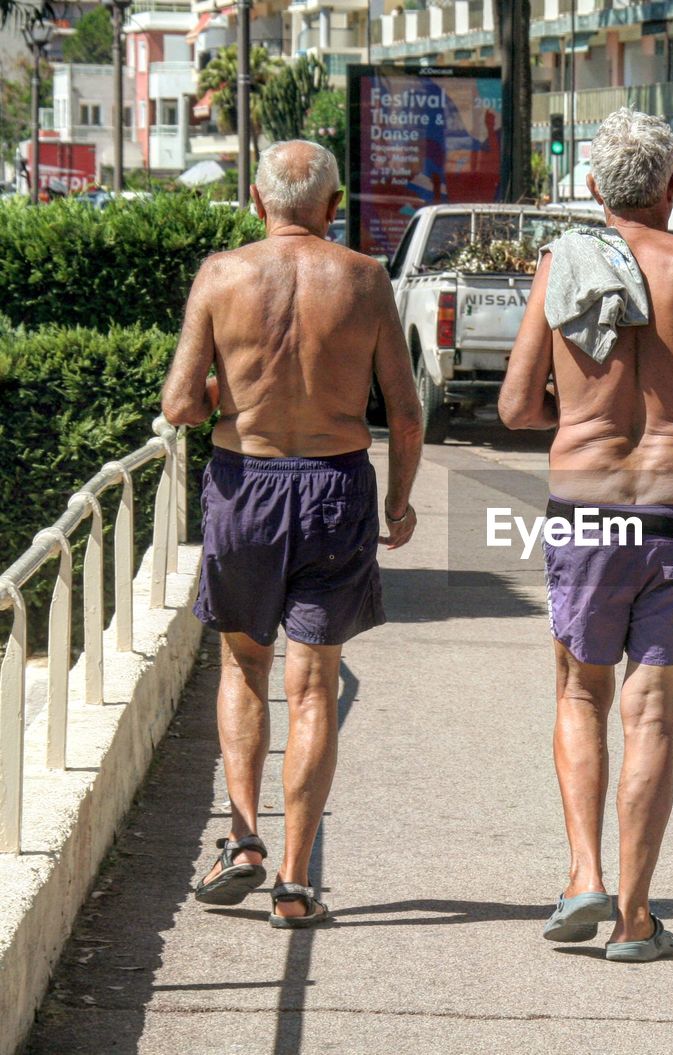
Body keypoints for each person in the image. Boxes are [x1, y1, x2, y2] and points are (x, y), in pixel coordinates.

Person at [499, 108, 673, 963]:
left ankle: (583, 878)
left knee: (581, 693)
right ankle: (636, 918)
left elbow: (512, 407)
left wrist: (574, 416)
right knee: (652, 713)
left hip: (587, 507)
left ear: (591, 188)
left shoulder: (561, 265)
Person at [161, 140, 423, 929]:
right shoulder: (366, 278)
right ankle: (296, 879)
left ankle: (243, 838)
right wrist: (400, 505)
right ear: (334, 206)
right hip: (336, 488)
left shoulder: (221, 274)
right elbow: (406, 413)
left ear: (255, 198)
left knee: (245, 665)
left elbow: (180, 406)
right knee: (313, 685)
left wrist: (228, 383)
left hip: (247, 484)